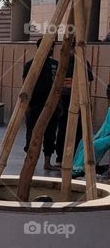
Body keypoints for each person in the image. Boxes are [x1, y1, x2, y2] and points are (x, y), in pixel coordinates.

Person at [54, 50, 94, 168]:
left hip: (70, 99)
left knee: (70, 129)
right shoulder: (72, 63)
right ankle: (67, 157)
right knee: (70, 129)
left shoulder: (75, 63)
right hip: (69, 99)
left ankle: (65, 157)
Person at [23, 42, 60, 172]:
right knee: (31, 134)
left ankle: (47, 162)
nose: (50, 50)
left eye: (52, 47)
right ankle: (29, 161)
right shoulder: (30, 64)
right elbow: (25, 85)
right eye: (48, 47)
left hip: (52, 106)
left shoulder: (55, 64)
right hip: (35, 105)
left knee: (50, 134)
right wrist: (26, 106)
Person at [72, 83, 110, 178]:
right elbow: (105, 126)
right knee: (84, 140)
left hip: (107, 135)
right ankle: (77, 166)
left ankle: (83, 168)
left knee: (95, 144)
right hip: (106, 134)